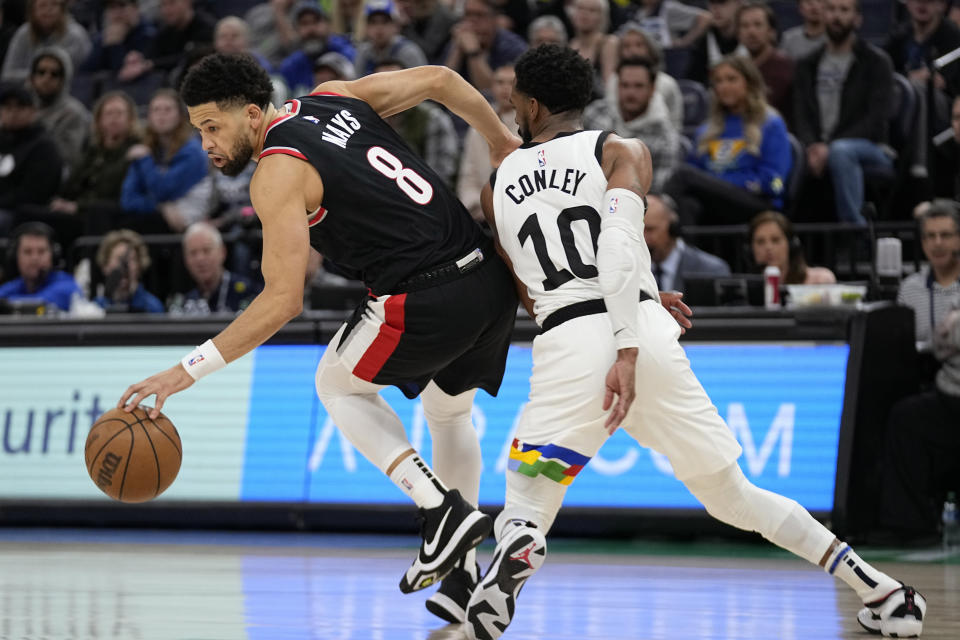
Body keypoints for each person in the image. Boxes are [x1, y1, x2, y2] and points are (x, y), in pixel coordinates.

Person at [463, 43, 925, 640]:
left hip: (572, 334)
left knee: (528, 489)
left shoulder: (495, 185)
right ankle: (884, 593)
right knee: (732, 495)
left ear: (529, 103)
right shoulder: (619, 151)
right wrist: (639, 318)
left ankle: (521, 545)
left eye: (513, 100)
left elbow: (532, 290)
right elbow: (624, 245)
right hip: (642, 328)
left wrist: (621, 345)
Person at [116, 52, 522, 624]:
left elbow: (282, 300)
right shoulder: (333, 96)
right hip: (486, 278)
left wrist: (182, 373)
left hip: (423, 295)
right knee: (448, 415)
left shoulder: (275, 171)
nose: (205, 143)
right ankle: (461, 576)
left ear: (253, 114)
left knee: (337, 384)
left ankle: (440, 511)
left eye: (212, 127)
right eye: (197, 130)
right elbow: (439, 79)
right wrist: (500, 140)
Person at [792, 0, 894, 225]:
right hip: (819, 146)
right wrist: (811, 145)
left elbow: (876, 121)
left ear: (858, 19)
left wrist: (828, 147)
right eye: (831, 9)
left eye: (844, 10)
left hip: (871, 147)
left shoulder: (876, 63)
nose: (836, 16)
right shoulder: (807, 64)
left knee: (841, 152)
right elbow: (801, 115)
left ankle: (856, 232)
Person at [664, 56, 792, 225]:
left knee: (682, 175)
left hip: (757, 202)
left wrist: (719, 181)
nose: (724, 86)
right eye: (718, 81)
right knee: (688, 205)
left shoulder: (771, 123)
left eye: (731, 79)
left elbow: (775, 182)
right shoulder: (707, 129)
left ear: (749, 82)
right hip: (717, 202)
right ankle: (685, 249)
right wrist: (714, 184)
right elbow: (695, 168)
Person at [881, 293, 960, 544]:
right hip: (950, 393)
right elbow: (940, 343)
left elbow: (952, 333)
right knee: (906, 418)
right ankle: (913, 526)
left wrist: (954, 327)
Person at [584, 57, 679, 193]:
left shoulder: (665, 137)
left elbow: (656, 192)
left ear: (652, 89)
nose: (631, 93)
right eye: (625, 85)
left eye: (638, 86)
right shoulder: (594, 114)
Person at [120, 88, 208, 233]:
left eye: (167, 110)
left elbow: (164, 190)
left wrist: (146, 160)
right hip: (159, 217)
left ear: (180, 116)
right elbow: (128, 199)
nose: (161, 115)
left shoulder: (193, 152)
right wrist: (160, 207)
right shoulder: (147, 149)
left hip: (187, 223)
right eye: (156, 110)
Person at [373, 60, 459, 187]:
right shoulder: (366, 119)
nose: (388, 88)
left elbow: (440, 175)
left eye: (395, 81)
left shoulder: (432, 118)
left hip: (424, 195)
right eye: (381, 82)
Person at [0, 82, 62, 232]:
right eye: (7, 107)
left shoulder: (44, 147)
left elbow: (33, 194)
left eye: (20, 107)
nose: (13, 112)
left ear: (33, 111)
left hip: (21, 214)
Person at [458, 63, 517, 221]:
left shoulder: (530, 125)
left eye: (511, 83)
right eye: (499, 82)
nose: (505, 88)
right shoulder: (477, 124)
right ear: (492, 87)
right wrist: (479, 205)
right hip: (480, 209)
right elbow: (468, 175)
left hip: (518, 208)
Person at [897, 201, 960, 344]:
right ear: (923, 243)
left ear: (958, 239)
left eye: (945, 235)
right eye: (931, 236)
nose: (937, 243)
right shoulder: (909, 289)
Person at [168, 221, 260, 315]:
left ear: (222, 252)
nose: (200, 259)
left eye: (207, 250)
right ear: (185, 259)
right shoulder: (184, 303)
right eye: (193, 253)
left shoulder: (248, 292)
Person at [644, 194, 731, 292]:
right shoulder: (628, 270)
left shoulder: (711, 271)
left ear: (673, 228)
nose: (643, 237)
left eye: (650, 230)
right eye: (639, 229)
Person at [442, 0, 527, 93]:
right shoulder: (458, 40)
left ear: (495, 18)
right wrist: (457, 50)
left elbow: (493, 93)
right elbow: (442, 86)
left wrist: (473, 53)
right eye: (467, 14)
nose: (471, 21)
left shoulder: (513, 47)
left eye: (479, 15)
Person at [28, 47, 91, 173]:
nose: (46, 78)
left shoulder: (74, 113)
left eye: (54, 74)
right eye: (41, 72)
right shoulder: (20, 107)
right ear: (32, 77)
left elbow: (69, 158)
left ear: (64, 79)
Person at [0, 0, 92, 83]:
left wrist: (36, 76)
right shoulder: (23, 33)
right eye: (42, 5)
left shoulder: (76, 36)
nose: (48, 10)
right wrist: (35, 75)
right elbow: (7, 75)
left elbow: (68, 77)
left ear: (62, 9)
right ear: (32, 10)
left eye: (54, 4)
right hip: (26, 96)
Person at [0, 221, 80, 311]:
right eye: (27, 251)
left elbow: (39, 306)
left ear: (53, 256)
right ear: (15, 257)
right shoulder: (17, 285)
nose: (35, 258)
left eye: (41, 251)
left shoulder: (66, 285)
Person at [735, 0, 793, 119]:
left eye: (758, 25)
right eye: (745, 26)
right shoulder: (733, 70)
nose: (751, 32)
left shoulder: (788, 69)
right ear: (738, 34)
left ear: (771, 32)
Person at [749, 210, 836, 284]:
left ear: (791, 245)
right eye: (760, 242)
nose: (768, 247)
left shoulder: (820, 280)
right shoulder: (745, 286)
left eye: (775, 240)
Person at [93, 228, 165, 313]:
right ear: (105, 266)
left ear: (139, 266)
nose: (125, 266)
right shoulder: (96, 308)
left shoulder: (152, 307)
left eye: (131, 259)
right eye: (119, 258)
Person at [81, 0, 157, 76]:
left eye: (122, 5)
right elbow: (85, 73)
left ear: (135, 8)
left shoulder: (148, 35)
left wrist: (115, 45)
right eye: (112, 7)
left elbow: (126, 75)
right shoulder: (104, 36)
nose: (117, 13)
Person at [353, 0, 426, 77]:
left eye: (385, 22)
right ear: (366, 28)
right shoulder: (363, 53)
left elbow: (423, 83)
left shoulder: (409, 53)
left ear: (396, 26)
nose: (379, 28)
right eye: (373, 22)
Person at [685, 0, 744, 86]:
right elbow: (692, 82)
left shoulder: (750, 36)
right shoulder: (704, 40)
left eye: (722, 3)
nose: (716, 8)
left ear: (738, 4)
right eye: (712, 3)